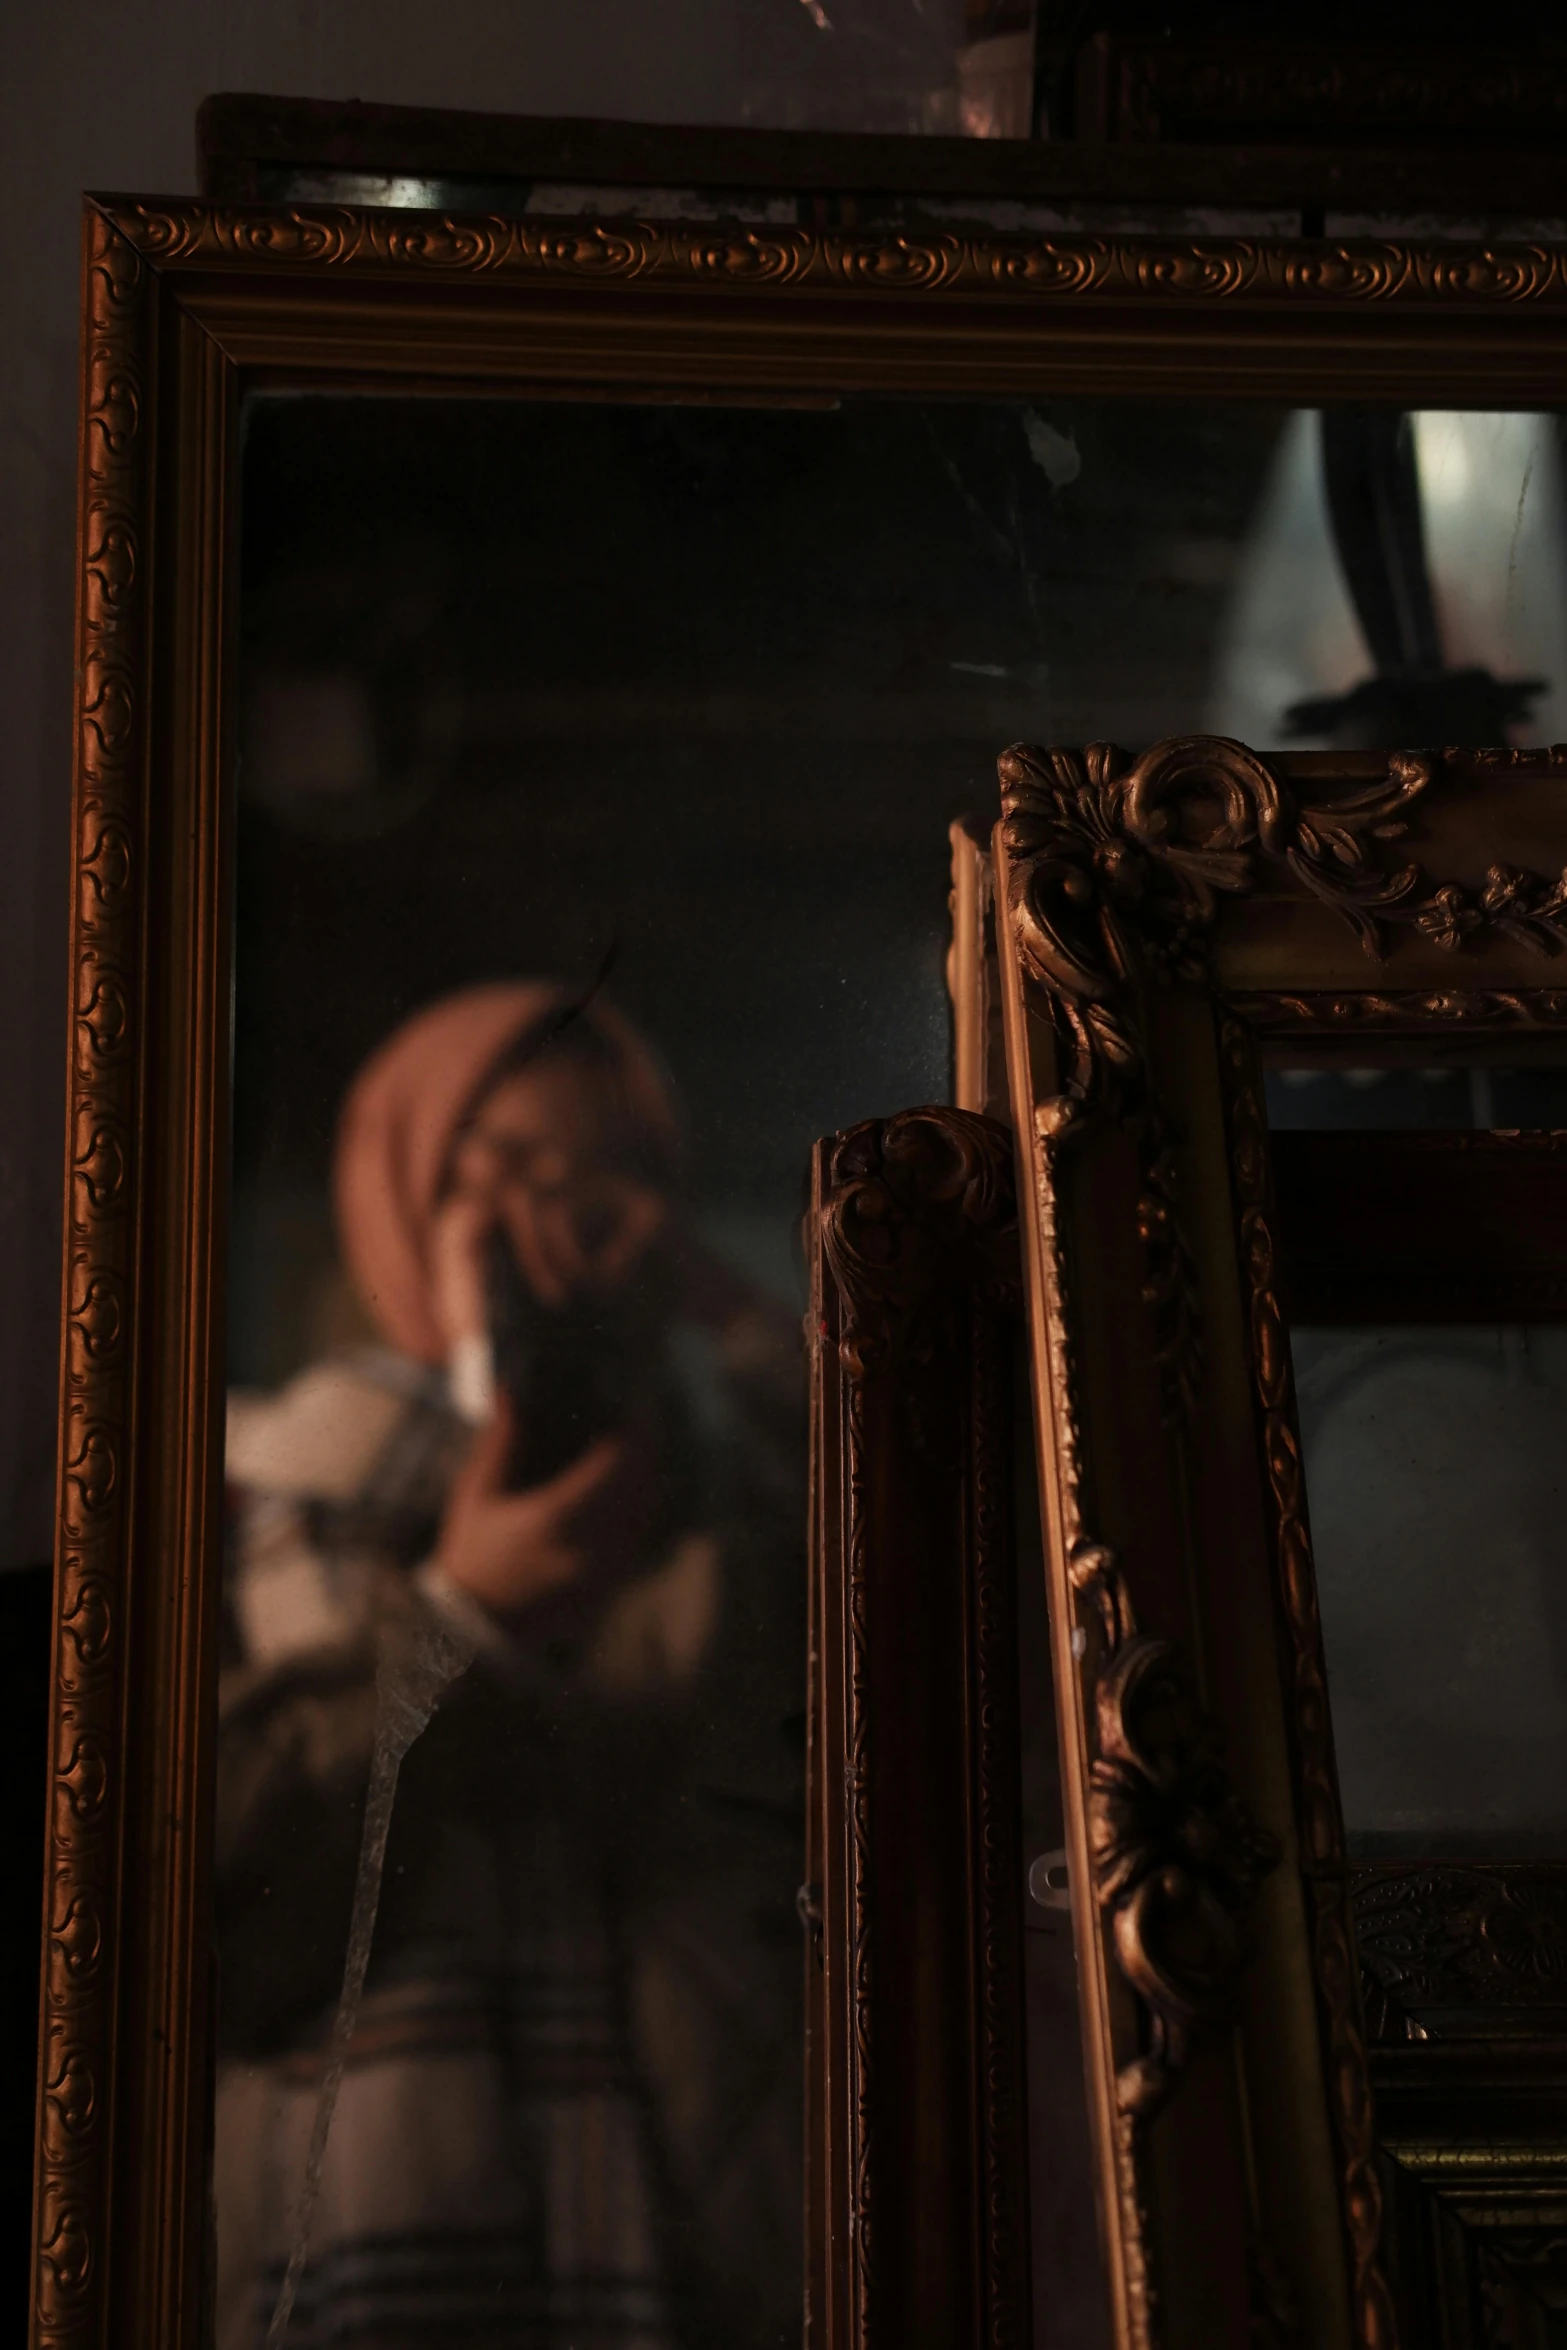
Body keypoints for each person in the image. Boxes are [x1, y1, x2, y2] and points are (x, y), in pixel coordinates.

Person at [215, 982, 805, 2350]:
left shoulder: (756, 1499)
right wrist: (464, 1619)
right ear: (398, 1188)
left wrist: (736, 1336)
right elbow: (183, 1922)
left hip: (717, 2274)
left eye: (622, 1174)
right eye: (512, 1171)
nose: (567, 1214)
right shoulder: (244, 1502)